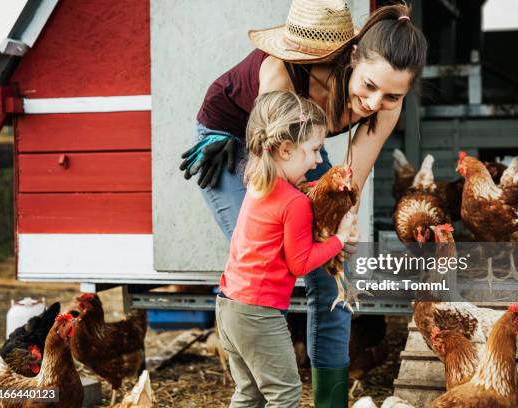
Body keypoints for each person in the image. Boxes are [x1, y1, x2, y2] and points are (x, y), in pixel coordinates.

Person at [180, 1, 427, 405]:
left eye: (391, 94)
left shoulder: (386, 104)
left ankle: (330, 400)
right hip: (237, 141)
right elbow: (271, 161)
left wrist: (340, 232)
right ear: (352, 59)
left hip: (298, 143)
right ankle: (264, 383)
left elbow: (350, 182)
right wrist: (313, 231)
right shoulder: (282, 71)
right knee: (272, 254)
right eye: (368, 86)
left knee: (331, 274)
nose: (374, 102)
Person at [216, 90, 358, 407]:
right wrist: (339, 238)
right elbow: (300, 264)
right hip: (258, 313)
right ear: (286, 149)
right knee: (285, 394)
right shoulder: (294, 203)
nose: (320, 160)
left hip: (229, 306)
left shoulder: (258, 181)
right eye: (315, 149)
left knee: (249, 393)